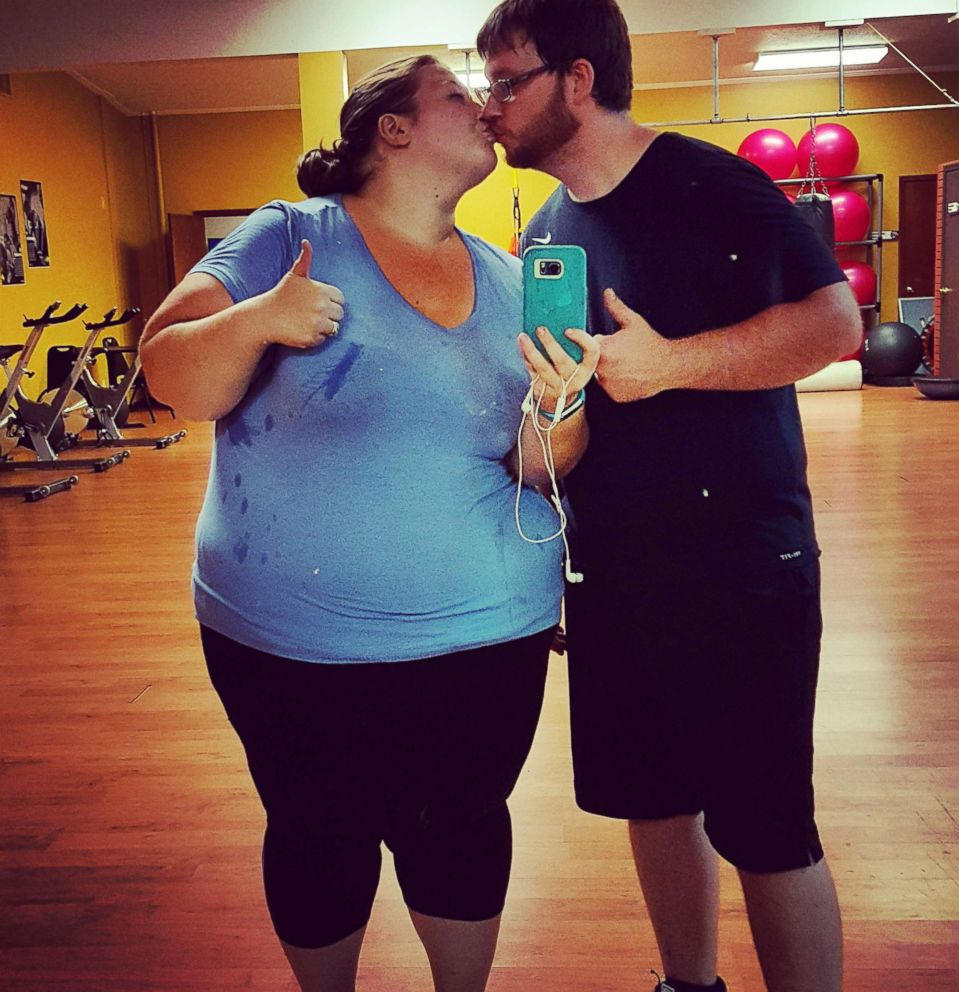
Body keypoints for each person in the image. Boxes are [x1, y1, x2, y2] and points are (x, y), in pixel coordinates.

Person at [139, 55, 599, 992]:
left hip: (485, 630)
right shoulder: (287, 238)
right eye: (459, 95)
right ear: (392, 128)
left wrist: (557, 406)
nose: (487, 108)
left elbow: (534, 462)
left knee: (462, 827)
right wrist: (260, 319)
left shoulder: (515, 280)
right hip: (290, 639)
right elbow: (170, 377)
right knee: (317, 831)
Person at [474, 3, 863, 992]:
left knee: (766, 823)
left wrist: (669, 365)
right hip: (612, 565)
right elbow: (564, 413)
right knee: (652, 799)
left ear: (574, 79)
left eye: (505, 81)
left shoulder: (711, 184)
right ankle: (685, 983)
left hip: (741, 560)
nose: (490, 108)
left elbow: (834, 323)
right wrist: (553, 415)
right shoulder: (543, 233)